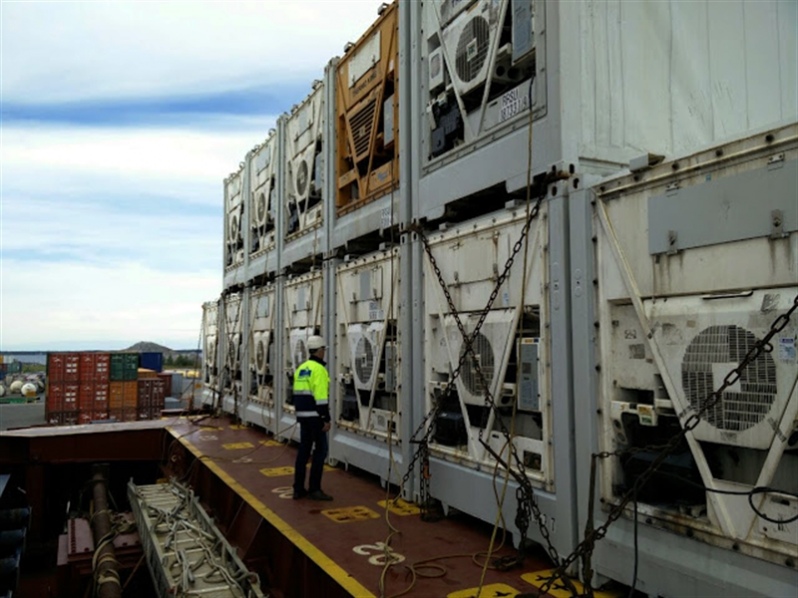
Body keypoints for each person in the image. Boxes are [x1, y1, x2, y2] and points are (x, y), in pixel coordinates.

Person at [292, 335, 333, 501]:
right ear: (320, 351)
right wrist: (325, 419)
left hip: (303, 417)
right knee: (321, 451)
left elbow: (296, 394)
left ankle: (298, 488)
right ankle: (315, 488)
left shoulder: (302, 368)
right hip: (316, 418)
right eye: (324, 350)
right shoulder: (319, 370)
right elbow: (321, 398)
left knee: (303, 452)